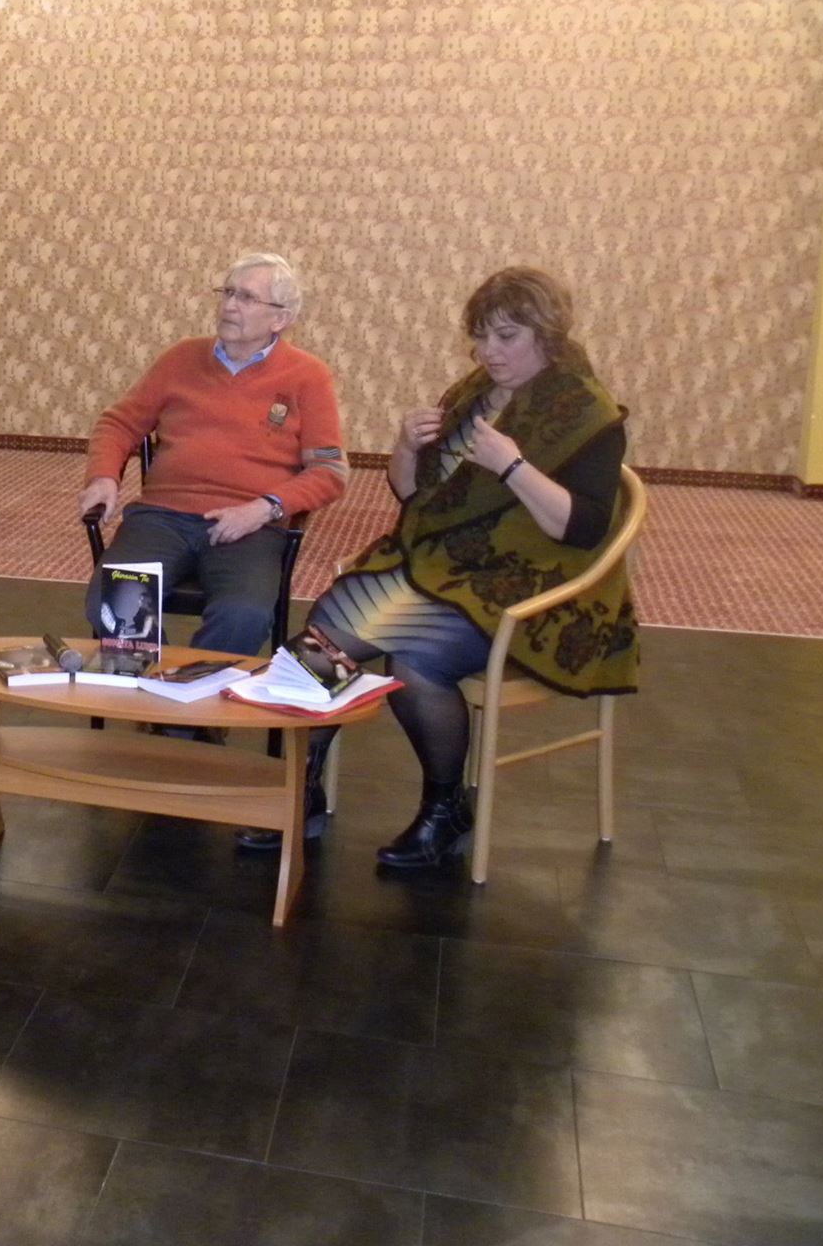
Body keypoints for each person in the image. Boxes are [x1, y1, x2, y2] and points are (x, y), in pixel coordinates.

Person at [303, 266, 637, 869]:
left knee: (415, 664)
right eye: (480, 337)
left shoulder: (588, 413)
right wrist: (406, 446)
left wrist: (512, 466)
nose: (489, 352)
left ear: (547, 334)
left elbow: (582, 528)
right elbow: (415, 497)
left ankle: (445, 810)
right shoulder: (472, 395)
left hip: (528, 581)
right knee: (322, 642)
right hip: (446, 566)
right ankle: (299, 789)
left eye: (506, 337)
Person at [79, 252, 350, 797]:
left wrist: (266, 507)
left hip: (250, 523)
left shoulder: (307, 375)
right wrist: (104, 476)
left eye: (246, 297)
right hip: (164, 513)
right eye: (227, 292)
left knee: (245, 613)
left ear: (280, 317)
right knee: (116, 598)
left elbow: (330, 471)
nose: (230, 305)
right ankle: (148, 702)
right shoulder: (181, 359)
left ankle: (192, 715)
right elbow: (119, 422)